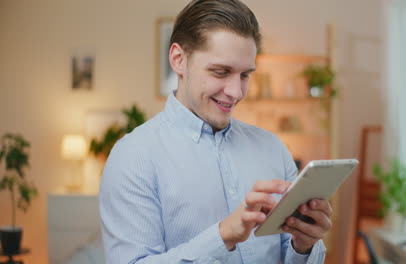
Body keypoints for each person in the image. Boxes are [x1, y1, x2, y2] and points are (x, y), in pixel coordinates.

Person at [99, 0, 332, 263]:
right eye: (221, 72)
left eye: (245, 75)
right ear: (178, 59)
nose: (236, 92)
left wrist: (304, 246)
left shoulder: (273, 148)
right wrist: (223, 236)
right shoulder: (133, 157)